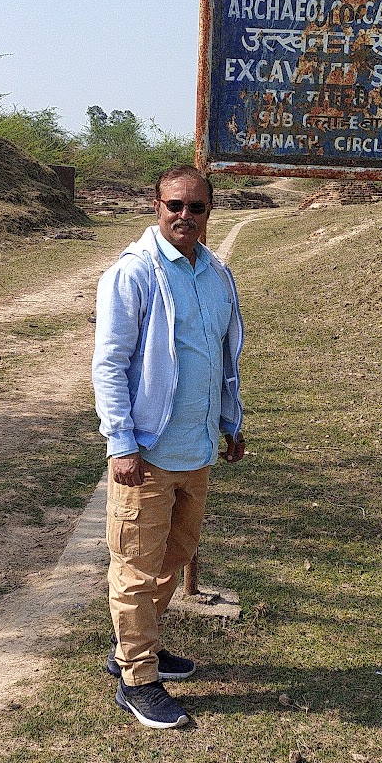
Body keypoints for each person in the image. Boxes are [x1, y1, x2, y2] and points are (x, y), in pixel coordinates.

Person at [91, 165, 246, 729]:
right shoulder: (133, 274)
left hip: (197, 448)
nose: (185, 216)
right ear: (155, 206)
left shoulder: (216, 274)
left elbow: (221, 356)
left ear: (210, 211)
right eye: (174, 205)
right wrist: (121, 444)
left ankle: (137, 645)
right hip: (147, 454)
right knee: (134, 565)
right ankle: (138, 679)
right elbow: (109, 364)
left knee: (176, 558)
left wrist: (231, 422)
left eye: (196, 208)